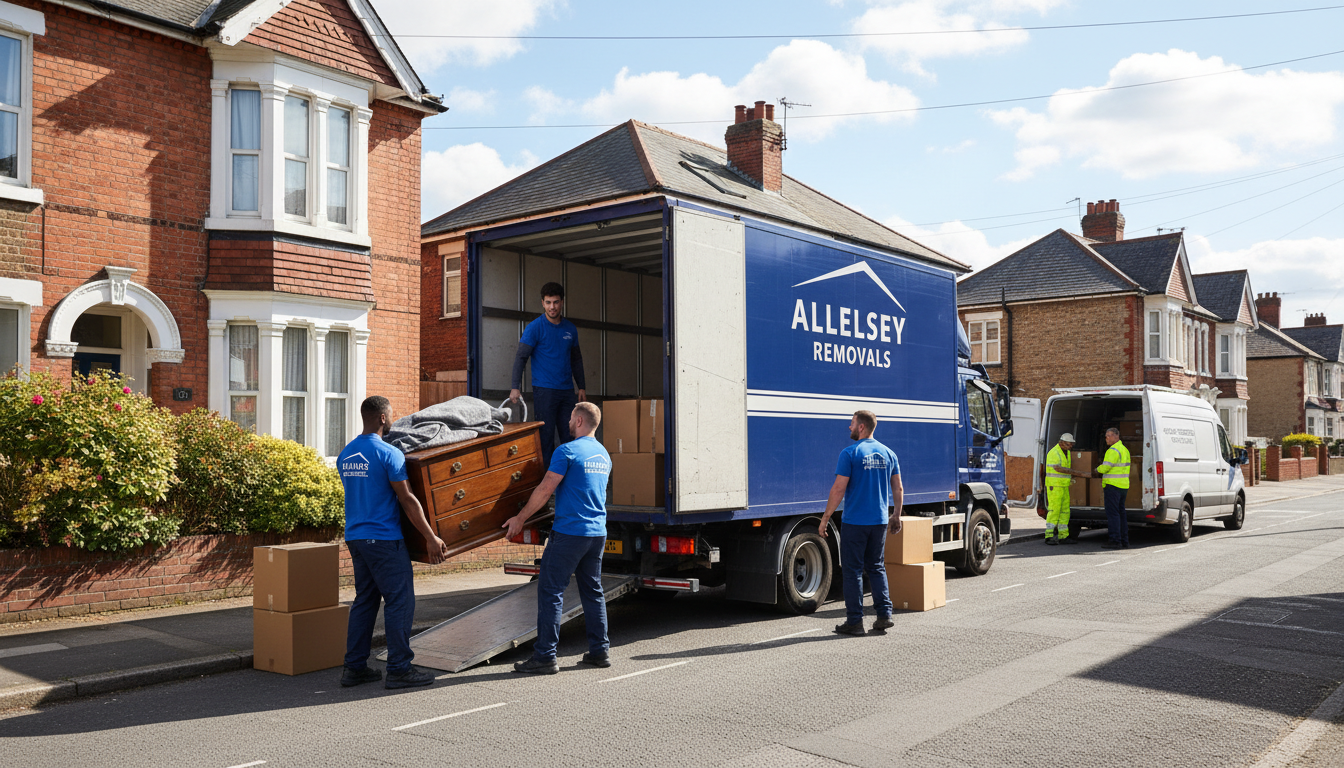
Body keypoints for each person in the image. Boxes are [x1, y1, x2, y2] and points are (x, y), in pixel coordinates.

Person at [337, 396, 447, 690]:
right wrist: (430, 537)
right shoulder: (389, 454)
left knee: (365, 601)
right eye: (392, 416)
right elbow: (407, 499)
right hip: (384, 540)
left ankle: (354, 668)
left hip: (356, 538)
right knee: (400, 601)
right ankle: (399, 669)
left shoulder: (345, 454)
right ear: (383, 418)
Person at [503, 401, 612, 674]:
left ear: (578, 421)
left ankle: (545, 657)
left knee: (551, 591)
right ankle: (600, 652)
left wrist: (520, 518)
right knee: (593, 591)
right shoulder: (603, 454)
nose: (567, 423)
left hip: (570, 533)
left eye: (570, 419)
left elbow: (544, 490)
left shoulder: (568, 451)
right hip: (597, 532)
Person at [818, 410, 903, 636]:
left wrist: (825, 518)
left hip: (855, 522)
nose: (849, 427)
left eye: (852, 423)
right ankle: (884, 615)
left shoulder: (850, 453)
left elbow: (838, 488)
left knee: (853, 570)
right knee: (876, 566)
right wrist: (896, 515)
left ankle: (855, 622)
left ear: (862, 427)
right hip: (879, 521)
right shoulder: (889, 454)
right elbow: (898, 488)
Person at [511, 282, 587, 466]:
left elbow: (576, 359)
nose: (552, 307)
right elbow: (521, 357)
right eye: (548, 302)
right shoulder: (534, 328)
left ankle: (567, 483)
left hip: (567, 391)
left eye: (556, 302)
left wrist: (581, 386)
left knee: (569, 436)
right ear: (542, 303)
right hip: (544, 391)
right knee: (545, 439)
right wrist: (515, 387)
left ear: (562, 302)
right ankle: (546, 487)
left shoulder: (570, 329)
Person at [1044, 432, 1090, 546]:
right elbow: (1058, 468)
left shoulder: (1067, 453)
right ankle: (1049, 535)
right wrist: (1079, 473)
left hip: (1064, 485)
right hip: (1054, 485)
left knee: (1065, 511)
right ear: (1061, 443)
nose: (1070, 447)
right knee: (1054, 510)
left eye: (1071, 445)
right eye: (1068, 444)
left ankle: (1063, 535)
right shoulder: (1053, 453)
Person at [1097, 427, 1132, 549]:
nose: (1106, 438)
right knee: (1121, 514)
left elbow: (1105, 467)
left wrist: (1097, 469)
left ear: (1116, 436)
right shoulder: (1124, 450)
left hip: (1113, 486)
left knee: (1113, 514)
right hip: (1123, 486)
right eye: (1106, 436)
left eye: (1109, 435)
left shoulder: (1112, 450)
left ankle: (1115, 540)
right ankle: (1124, 540)